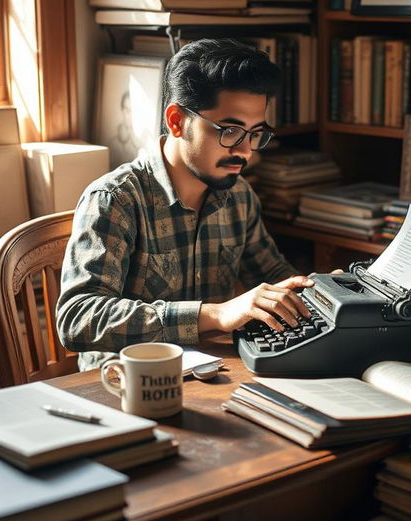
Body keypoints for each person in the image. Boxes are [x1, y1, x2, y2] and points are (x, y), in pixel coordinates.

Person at [56, 37, 314, 369]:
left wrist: (321, 291)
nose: (245, 151)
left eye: (255, 133)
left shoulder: (238, 195)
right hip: (123, 388)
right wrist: (215, 314)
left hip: (212, 376)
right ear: (177, 121)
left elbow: (273, 274)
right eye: (230, 131)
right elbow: (78, 317)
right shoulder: (115, 200)